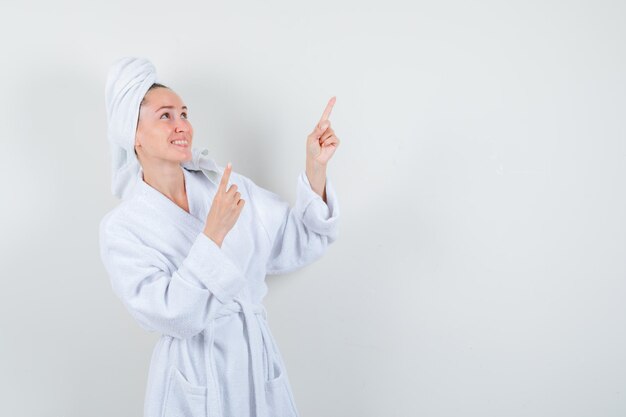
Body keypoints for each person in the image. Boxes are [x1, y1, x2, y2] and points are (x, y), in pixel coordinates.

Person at [98, 56, 340, 417]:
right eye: (165, 116)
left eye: (184, 114)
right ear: (131, 133)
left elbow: (304, 239)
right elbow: (171, 316)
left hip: (255, 365)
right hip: (193, 376)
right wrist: (213, 234)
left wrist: (315, 168)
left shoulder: (224, 187)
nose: (182, 125)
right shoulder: (122, 228)